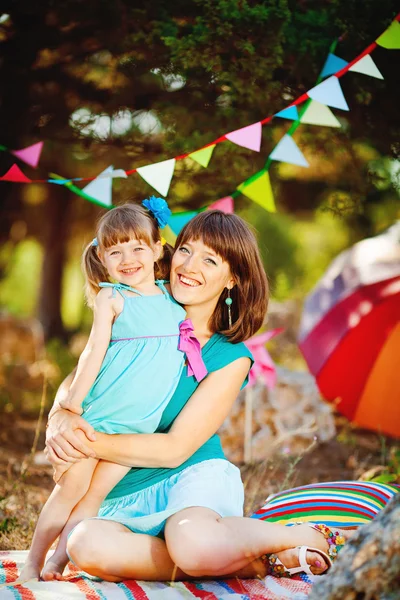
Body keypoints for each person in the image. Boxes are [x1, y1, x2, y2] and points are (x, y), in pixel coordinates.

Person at [44, 210, 348, 583]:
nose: (188, 266)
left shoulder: (230, 357)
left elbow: (174, 449)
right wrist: (60, 415)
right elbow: (83, 374)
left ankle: (301, 535)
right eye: (186, 251)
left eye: (209, 259)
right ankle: (248, 562)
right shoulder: (137, 310)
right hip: (120, 490)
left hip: (187, 479)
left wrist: (86, 441)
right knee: (86, 545)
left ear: (232, 278)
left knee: (193, 545)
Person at [20, 199, 207, 583]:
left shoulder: (172, 298)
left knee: (94, 498)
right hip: (101, 416)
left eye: (139, 247)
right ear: (102, 257)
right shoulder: (112, 298)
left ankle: (59, 560)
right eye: (115, 251)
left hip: (138, 427)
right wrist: (70, 404)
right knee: (71, 488)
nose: (128, 258)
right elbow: (93, 352)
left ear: (157, 250)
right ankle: (33, 561)